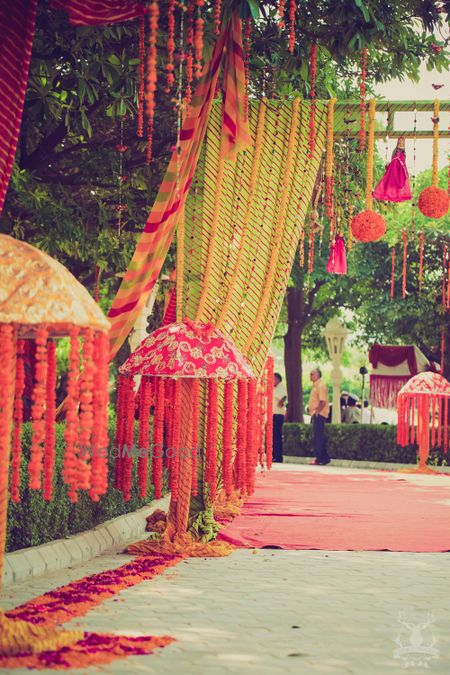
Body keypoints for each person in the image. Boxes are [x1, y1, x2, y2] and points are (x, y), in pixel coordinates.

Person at [308, 367, 330, 465]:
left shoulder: (321, 385)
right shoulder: (315, 386)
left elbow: (323, 401)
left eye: (312, 374)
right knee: (318, 436)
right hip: (316, 413)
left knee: (318, 437)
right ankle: (324, 458)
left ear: (317, 375)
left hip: (319, 414)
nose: (310, 376)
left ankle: (320, 458)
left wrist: (317, 412)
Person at [272, 372, 287, 463]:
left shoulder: (281, 387)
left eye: (273, 378)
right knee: (274, 436)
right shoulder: (275, 388)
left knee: (277, 436)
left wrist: (280, 404)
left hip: (278, 414)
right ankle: (275, 455)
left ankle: (278, 456)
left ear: (277, 379)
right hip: (274, 414)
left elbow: (284, 397)